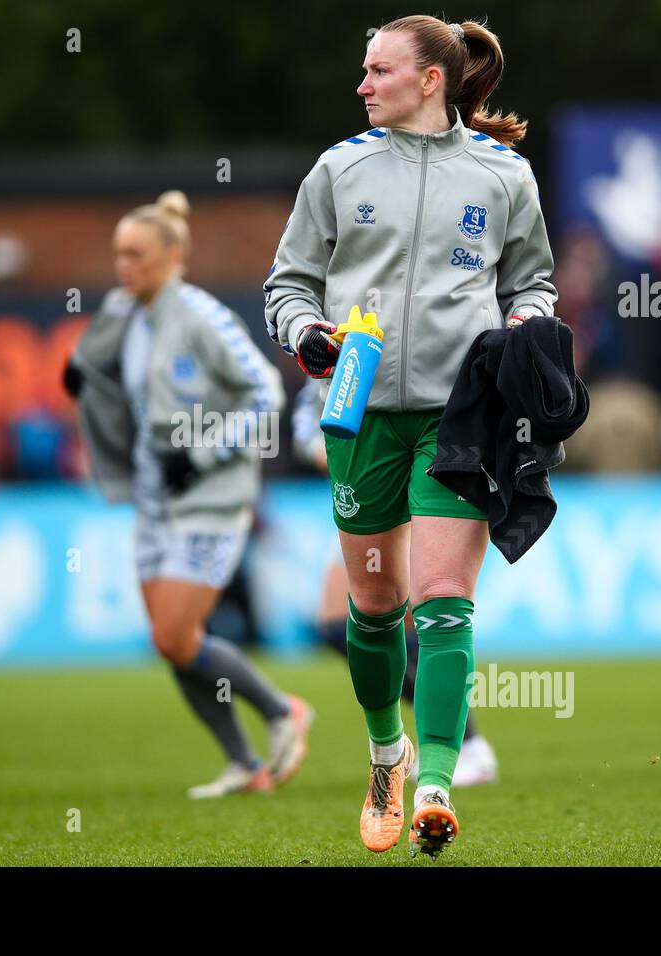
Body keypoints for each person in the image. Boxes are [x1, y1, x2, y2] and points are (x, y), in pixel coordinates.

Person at [264, 16, 556, 856]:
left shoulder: (504, 176)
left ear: (430, 79)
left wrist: (529, 325)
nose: (363, 84)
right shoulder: (339, 167)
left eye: (378, 70)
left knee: (442, 601)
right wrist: (305, 332)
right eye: (363, 70)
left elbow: (530, 281)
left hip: (461, 416)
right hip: (360, 416)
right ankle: (385, 755)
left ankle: (434, 781)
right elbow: (288, 283)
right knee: (372, 608)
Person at [65, 190, 313, 799]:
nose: (124, 266)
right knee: (171, 645)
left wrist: (202, 451)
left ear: (173, 255)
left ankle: (284, 710)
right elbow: (102, 379)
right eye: (119, 254)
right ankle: (245, 766)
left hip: (211, 499)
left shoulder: (201, 315)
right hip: (154, 503)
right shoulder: (126, 316)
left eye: (137, 254)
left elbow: (265, 395)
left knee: (177, 636)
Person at [292, 379, 499, 786]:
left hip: (420, 480)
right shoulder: (343, 340)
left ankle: (460, 747)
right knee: (346, 625)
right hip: (368, 481)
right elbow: (306, 415)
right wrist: (321, 448)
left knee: (416, 620)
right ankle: (453, 742)